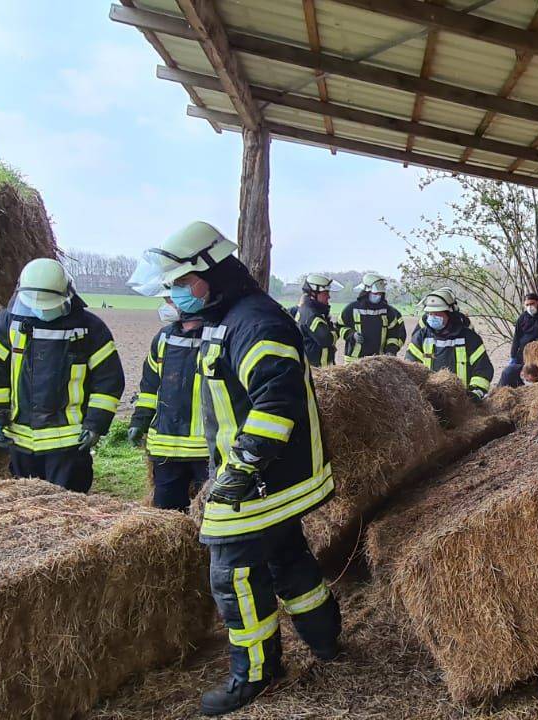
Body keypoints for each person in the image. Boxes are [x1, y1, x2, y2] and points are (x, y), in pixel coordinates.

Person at [133, 222, 341, 715]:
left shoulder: (254, 322)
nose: (176, 293)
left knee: (234, 575)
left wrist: (244, 463)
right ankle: (326, 639)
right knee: (286, 556)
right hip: (272, 475)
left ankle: (255, 674)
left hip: (260, 477)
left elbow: (277, 399)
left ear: (211, 273)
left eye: (182, 283)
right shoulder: (230, 316)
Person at [0, 258, 123, 492]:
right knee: (26, 507)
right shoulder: (5, 324)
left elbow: (108, 381)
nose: (42, 310)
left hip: (70, 444)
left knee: (69, 507)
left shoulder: (90, 329)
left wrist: (95, 424)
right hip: (20, 440)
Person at [128, 298, 210, 510]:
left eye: (171, 300)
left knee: (209, 513)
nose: (169, 303)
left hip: (207, 450)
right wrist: (139, 422)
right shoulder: (163, 338)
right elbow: (150, 388)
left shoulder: (221, 336)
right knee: (168, 516)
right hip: (166, 448)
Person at [405, 290, 493, 400]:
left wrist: (475, 392)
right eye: (430, 313)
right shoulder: (420, 338)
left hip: (462, 401)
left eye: (437, 313)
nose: (432, 317)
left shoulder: (470, 339)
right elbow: (411, 368)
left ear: (449, 313)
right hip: (429, 399)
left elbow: (483, 369)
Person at [339, 273, 406, 359]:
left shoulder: (388, 311)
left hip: (378, 359)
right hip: (354, 360)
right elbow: (340, 326)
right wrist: (352, 335)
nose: (378, 296)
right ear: (367, 291)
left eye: (380, 294)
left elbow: (393, 334)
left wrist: (391, 350)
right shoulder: (352, 308)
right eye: (375, 293)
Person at [499, 292, 538, 388]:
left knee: (533, 376)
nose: (530, 307)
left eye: (532, 304)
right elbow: (516, 338)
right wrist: (513, 356)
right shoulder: (522, 318)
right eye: (527, 305)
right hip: (523, 354)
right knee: (509, 373)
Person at [290, 273, 339, 368]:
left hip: (314, 368)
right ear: (313, 294)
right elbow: (327, 339)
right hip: (318, 369)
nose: (329, 297)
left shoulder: (307, 309)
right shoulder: (312, 315)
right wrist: (337, 330)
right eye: (325, 293)